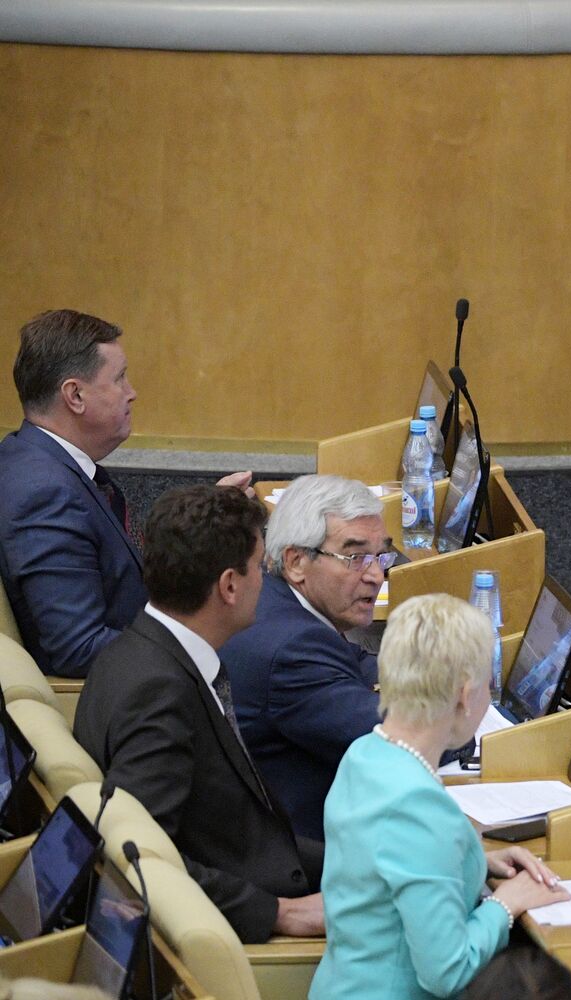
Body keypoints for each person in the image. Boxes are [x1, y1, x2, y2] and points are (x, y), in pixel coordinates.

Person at [74, 485, 325, 943]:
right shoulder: (159, 691)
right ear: (229, 585)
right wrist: (278, 913)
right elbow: (136, 859)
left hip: (263, 874)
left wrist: (393, 866)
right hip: (229, 933)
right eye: (258, 569)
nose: (264, 582)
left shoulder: (140, 650)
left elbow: (236, 833)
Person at [310, 593, 570, 1000]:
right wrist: (507, 904)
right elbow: (447, 972)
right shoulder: (420, 809)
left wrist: (473, 860)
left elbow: (383, 863)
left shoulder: (365, 754)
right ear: (465, 694)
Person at [0, 309, 251, 677]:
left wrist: (204, 522)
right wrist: (195, 641)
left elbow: (114, 570)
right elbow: (78, 647)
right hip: (122, 709)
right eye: (119, 378)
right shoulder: (46, 494)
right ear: (75, 395)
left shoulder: (33, 460)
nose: (132, 394)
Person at [219, 474, 395, 841]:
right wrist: (458, 704)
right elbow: (401, 742)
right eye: (355, 557)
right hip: (306, 860)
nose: (376, 575)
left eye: (381, 556)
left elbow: (353, 658)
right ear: (297, 561)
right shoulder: (292, 648)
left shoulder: (273, 597)